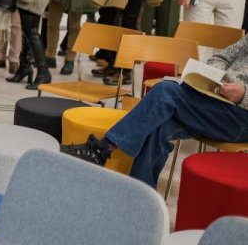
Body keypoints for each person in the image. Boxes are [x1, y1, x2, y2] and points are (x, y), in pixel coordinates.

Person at [62, 35, 248, 189]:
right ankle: (140, 193)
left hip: (241, 116)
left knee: (165, 91)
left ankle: (102, 149)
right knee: (160, 125)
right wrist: (217, 77)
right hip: (220, 100)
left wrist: (243, 94)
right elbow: (222, 57)